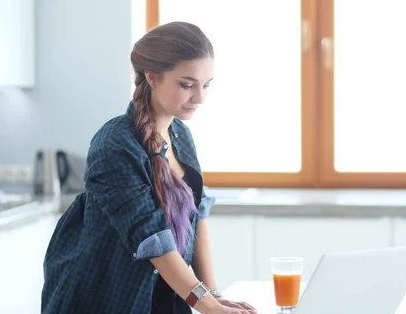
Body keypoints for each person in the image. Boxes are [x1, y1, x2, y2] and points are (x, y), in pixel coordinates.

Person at [41, 22, 258, 314]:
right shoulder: (115, 144)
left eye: (206, 85)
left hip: (166, 297)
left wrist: (213, 295)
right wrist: (206, 305)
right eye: (187, 84)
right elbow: (151, 237)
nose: (200, 97)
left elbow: (197, 215)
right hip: (104, 298)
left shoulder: (180, 134)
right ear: (153, 77)